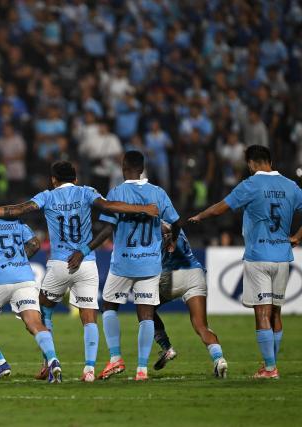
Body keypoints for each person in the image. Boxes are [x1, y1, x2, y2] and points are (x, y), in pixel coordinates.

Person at [0, 161, 158, 382]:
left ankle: (48, 362)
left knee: (43, 311)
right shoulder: (87, 192)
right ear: (76, 179)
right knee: (89, 317)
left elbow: (18, 210)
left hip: (59, 263)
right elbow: (110, 206)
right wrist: (143, 208)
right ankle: (89, 370)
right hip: (86, 261)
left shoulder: (46, 196)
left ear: (53, 180)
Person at [189, 145, 302, 379]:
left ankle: (270, 369)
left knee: (262, 313)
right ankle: (269, 365)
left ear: (251, 163)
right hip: (283, 256)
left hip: (258, 256)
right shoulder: (291, 186)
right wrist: (298, 237)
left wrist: (200, 215)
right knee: (276, 314)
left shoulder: (251, 185)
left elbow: (222, 208)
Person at [74, 150, 180, 381]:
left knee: (109, 306)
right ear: (142, 169)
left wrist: (85, 250)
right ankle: (141, 370)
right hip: (149, 265)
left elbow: (107, 229)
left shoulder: (118, 192)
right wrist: (171, 241)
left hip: (123, 263)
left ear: (123, 167)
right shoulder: (158, 193)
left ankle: (115, 359)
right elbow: (176, 221)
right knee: (146, 315)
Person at [0, 184, 62, 383]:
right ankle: (53, 360)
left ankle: (0, 363)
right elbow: (35, 243)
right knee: (34, 323)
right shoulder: (14, 219)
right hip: (24, 277)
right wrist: (18, 260)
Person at [152, 224, 228, 377]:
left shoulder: (158, 220)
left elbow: (165, 229)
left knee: (145, 309)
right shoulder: (175, 221)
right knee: (202, 326)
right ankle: (219, 359)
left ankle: (167, 348)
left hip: (172, 275)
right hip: (194, 274)